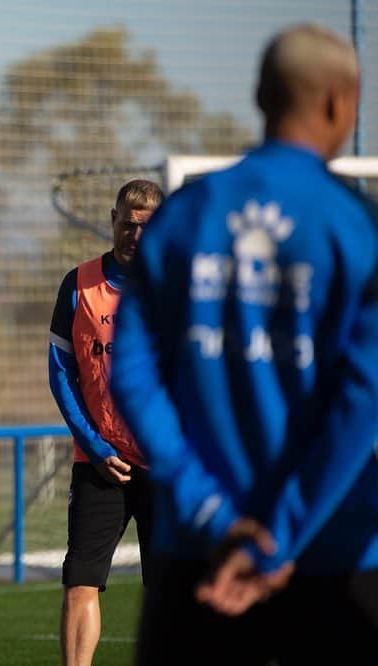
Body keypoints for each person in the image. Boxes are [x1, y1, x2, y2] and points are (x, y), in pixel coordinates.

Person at [111, 24, 378, 665]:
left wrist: (212, 511)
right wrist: (280, 535)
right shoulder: (357, 226)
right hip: (333, 554)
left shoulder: (183, 216)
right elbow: (363, 399)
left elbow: (132, 375)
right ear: (344, 102)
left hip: (198, 552)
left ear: (259, 96)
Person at [47, 179, 163, 666]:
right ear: (113, 219)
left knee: (172, 592)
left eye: (147, 226)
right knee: (80, 582)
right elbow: (61, 373)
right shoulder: (79, 284)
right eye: (128, 223)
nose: (135, 234)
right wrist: (94, 446)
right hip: (100, 463)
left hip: (168, 468)